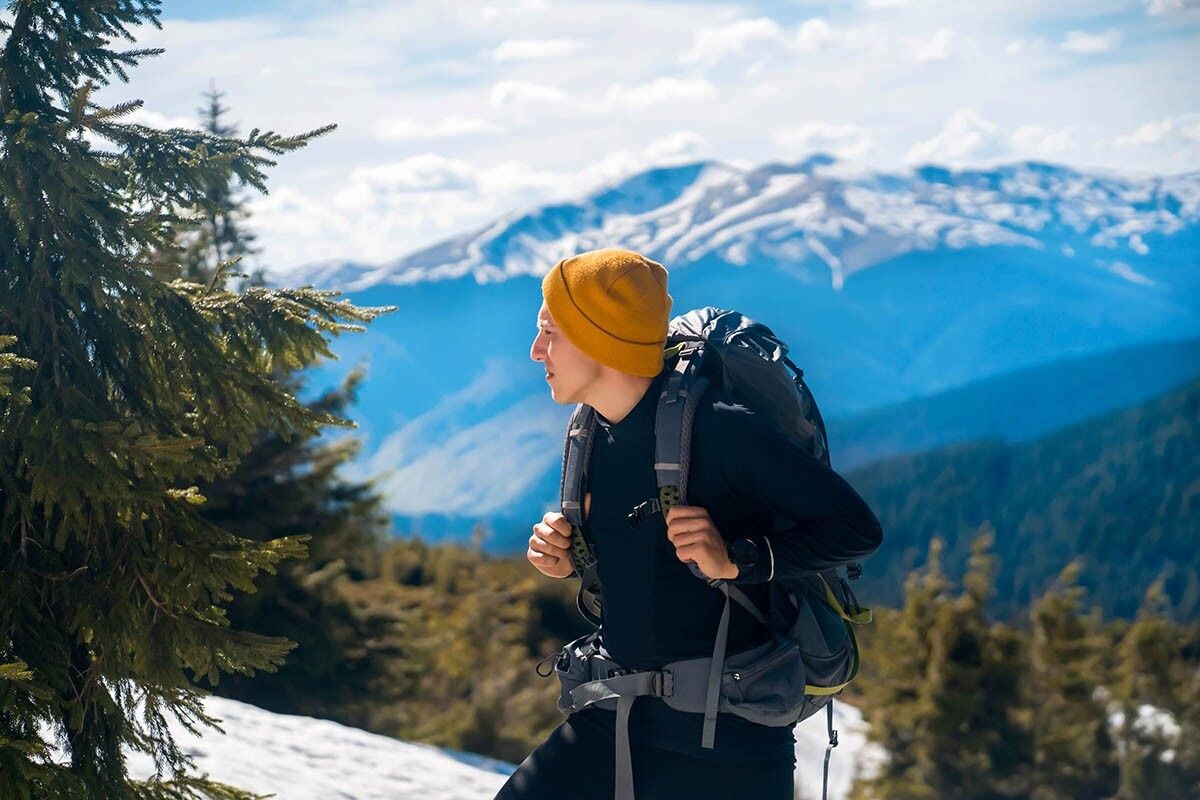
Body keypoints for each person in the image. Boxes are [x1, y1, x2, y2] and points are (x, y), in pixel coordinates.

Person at [494, 247, 883, 800]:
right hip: (617, 715)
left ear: (598, 338)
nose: (536, 352)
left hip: (730, 744)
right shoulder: (592, 434)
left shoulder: (722, 431)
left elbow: (855, 528)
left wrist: (739, 558)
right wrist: (569, 555)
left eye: (549, 332)